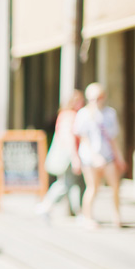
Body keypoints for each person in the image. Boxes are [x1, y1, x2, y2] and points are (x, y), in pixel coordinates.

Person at [73, 82, 124, 229]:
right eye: (92, 98)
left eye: (98, 97)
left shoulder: (110, 113)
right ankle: (87, 217)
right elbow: (83, 138)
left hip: (108, 156)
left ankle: (116, 216)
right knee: (93, 188)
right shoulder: (83, 114)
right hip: (89, 158)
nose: (96, 101)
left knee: (115, 186)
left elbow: (113, 138)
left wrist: (119, 157)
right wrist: (95, 157)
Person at [35, 90, 85, 219]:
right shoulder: (70, 116)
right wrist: (75, 157)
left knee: (72, 183)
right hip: (68, 154)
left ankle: (78, 212)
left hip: (68, 153)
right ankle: (47, 205)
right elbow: (68, 138)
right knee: (66, 183)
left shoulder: (65, 115)